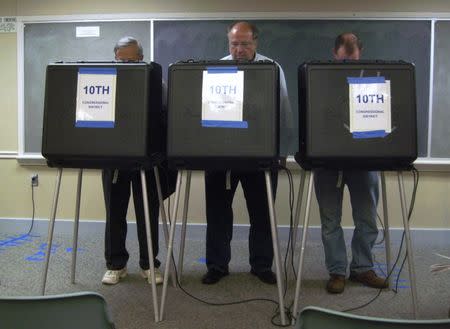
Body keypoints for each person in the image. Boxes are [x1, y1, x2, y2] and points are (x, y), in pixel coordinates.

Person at [202, 21, 294, 285]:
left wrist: (283, 151)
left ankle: (262, 265)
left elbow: (284, 111)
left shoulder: (272, 69)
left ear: (256, 43)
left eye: (244, 44)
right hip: (222, 154)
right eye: (234, 44)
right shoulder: (216, 69)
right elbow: (208, 113)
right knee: (218, 212)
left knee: (262, 213)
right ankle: (217, 265)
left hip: (261, 154)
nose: (239, 49)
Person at [314, 32, 388, 294]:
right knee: (330, 221)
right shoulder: (318, 80)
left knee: (367, 219)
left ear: (360, 54)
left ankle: (363, 268)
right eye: (344, 60)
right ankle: (337, 272)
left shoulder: (373, 82)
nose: (348, 64)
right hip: (327, 162)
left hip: (364, 161)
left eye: (353, 59)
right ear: (335, 54)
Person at [102, 36, 176, 285]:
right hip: (113, 157)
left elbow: (168, 119)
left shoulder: (158, 84)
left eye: (131, 61)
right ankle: (116, 264)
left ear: (141, 59)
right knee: (115, 212)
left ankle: (149, 264)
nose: (125, 65)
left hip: (146, 159)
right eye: (120, 61)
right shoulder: (105, 82)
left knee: (148, 212)